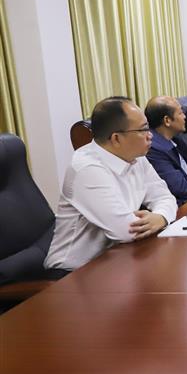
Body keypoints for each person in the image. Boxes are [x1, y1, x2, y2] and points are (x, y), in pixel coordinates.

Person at [43, 97, 177, 271]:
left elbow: (165, 197)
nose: (150, 135)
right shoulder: (87, 169)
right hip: (73, 272)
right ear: (116, 138)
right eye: (143, 129)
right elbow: (126, 231)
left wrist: (161, 217)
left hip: (118, 258)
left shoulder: (136, 157)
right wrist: (156, 218)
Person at [144, 96, 187, 205]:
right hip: (182, 206)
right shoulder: (153, 149)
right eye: (180, 113)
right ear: (167, 120)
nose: (185, 116)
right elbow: (179, 187)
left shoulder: (176, 139)